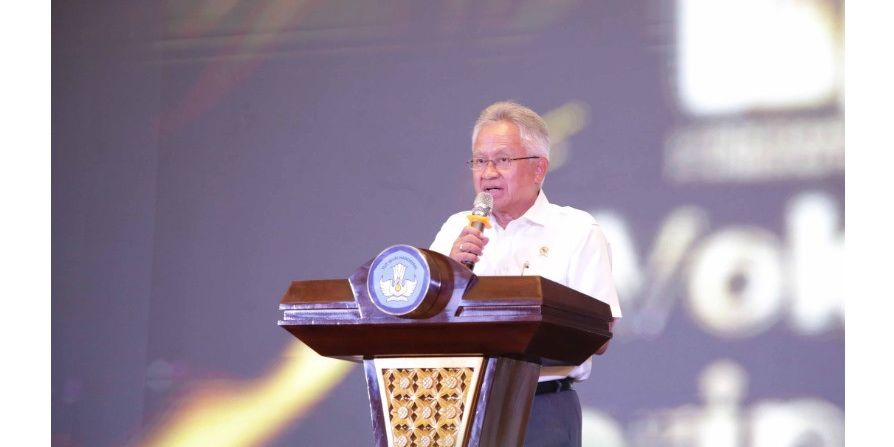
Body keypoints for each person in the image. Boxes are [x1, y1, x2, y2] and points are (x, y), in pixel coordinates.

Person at [429, 101, 622, 446]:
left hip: (542, 408)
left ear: (539, 168)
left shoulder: (577, 230)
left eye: (502, 160)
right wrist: (449, 273)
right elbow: (423, 322)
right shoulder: (456, 230)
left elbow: (601, 334)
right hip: (460, 405)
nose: (487, 172)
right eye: (479, 161)